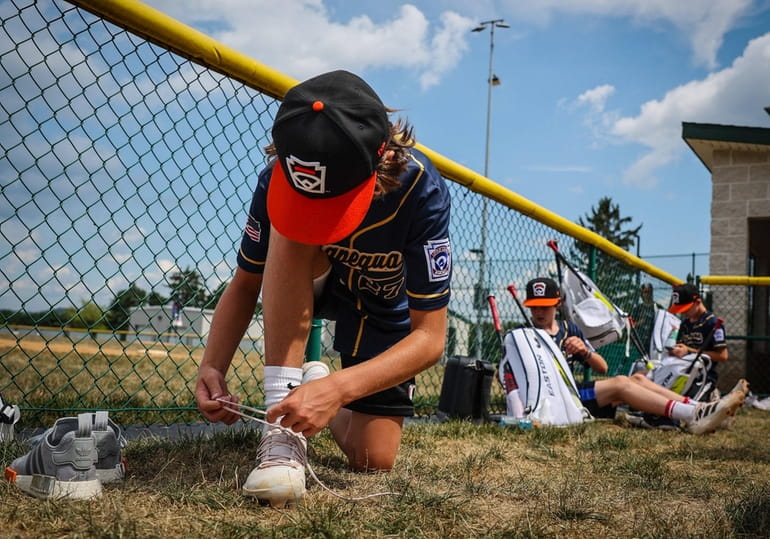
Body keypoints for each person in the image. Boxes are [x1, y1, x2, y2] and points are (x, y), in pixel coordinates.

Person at [194, 70, 452, 508]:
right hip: (308, 278)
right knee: (288, 230)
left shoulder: (420, 188)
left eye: (333, 203)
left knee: (373, 458)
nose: (323, 217)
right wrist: (211, 365)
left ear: (382, 155)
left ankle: (314, 381)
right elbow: (246, 282)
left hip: (380, 301)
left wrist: (337, 390)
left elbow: (430, 338)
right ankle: (280, 431)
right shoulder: (279, 175)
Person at [521, 277, 746, 433]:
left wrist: (585, 351)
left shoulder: (570, 328)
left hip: (574, 390)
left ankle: (698, 410)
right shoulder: (523, 335)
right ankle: (693, 414)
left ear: (557, 304)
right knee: (620, 383)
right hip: (558, 400)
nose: (539, 312)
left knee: (638, 378)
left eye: (545, 306)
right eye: (535, 307)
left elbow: (602, 368)